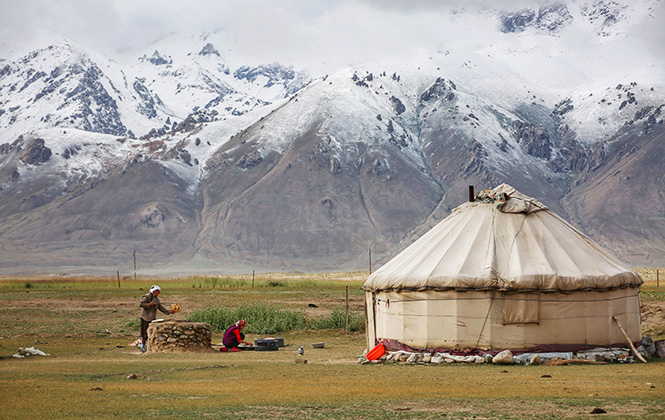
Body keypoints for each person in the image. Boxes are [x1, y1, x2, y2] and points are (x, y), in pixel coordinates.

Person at [138, 285, 172, 352]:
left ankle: (148, 346)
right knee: (144, 333)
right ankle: (142, 346)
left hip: (152, 318)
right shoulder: (147, 297)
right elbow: (141, 304)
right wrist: (149, 305)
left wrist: (168, 312)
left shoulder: (156, 299)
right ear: (155, 291)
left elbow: (160, 307)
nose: (159, 293)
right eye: (158, 292)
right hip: (145, 317)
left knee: (150, 333)